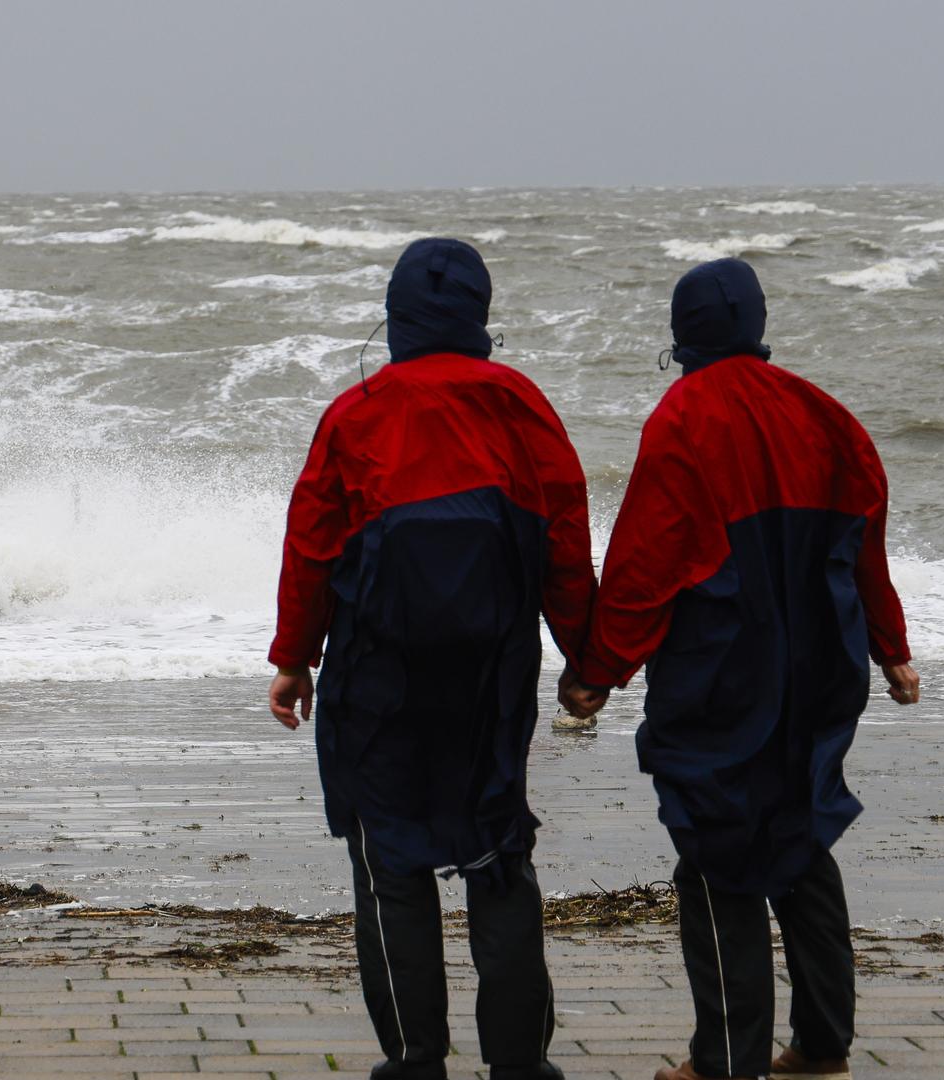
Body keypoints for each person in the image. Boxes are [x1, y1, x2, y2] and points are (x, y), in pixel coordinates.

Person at [562, 258, 919, 1080]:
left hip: (723, 670)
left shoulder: (682, 418)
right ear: (758, 327)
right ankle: (825, 1046)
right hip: (824, 666)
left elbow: (648, 564)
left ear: (682, 337)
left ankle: (725, 1061)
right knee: (801, 831)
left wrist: (599, 672)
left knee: (718, 848)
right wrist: (890, 647)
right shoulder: (826, 414)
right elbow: (866, 543)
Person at [269, 237, 595, 1080]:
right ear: (478, 313)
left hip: (379, 670)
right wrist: (584, 656)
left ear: (396, 316)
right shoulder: (521, 401)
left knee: (389, 860)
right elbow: (563, 535)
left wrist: (294, 658)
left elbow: (310, 545)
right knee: (498, 847)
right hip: (492, 668)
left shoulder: (355, 410)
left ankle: (415, 1060)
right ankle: (520, 1063)